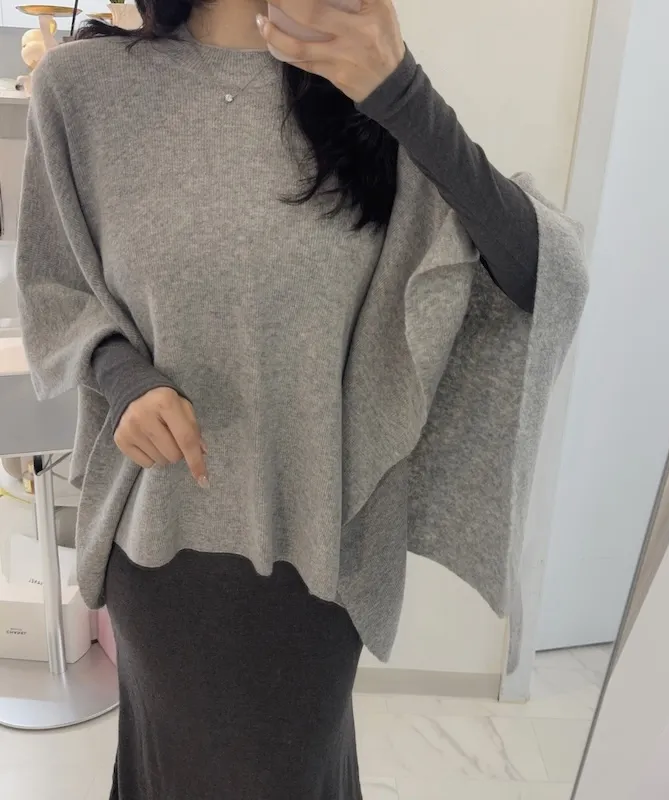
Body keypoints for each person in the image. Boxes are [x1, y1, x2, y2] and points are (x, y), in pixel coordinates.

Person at [16, 0, 587, 797]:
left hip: (321, 553)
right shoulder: (83, 87)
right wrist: (124, 380)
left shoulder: (363, 85)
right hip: (162, 540)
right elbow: (57, 287)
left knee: (296, 772)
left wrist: (401, 93)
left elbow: (542, 276)